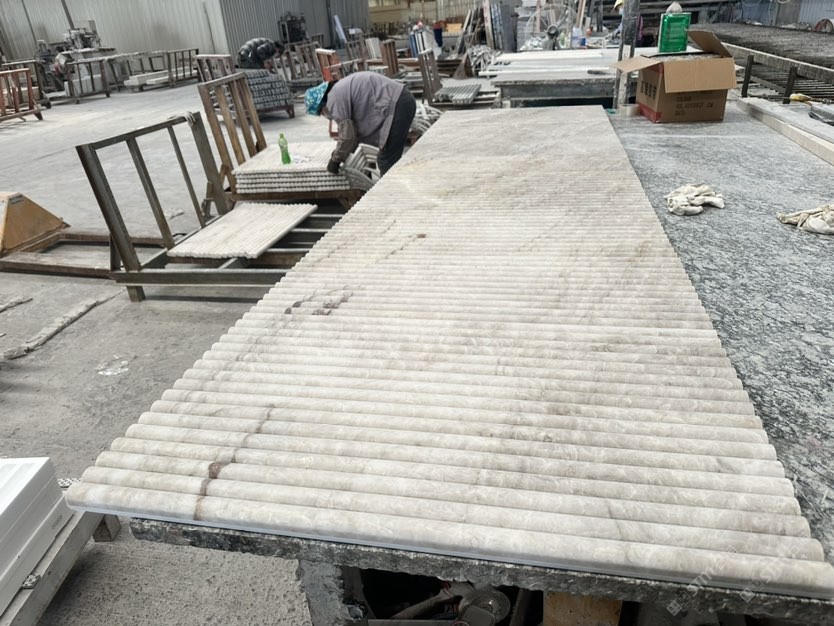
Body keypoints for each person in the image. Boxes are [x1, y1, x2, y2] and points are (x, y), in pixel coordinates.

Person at [305, 72, 417, 176]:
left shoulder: (334, 100)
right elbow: (353, 133)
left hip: (397, 105)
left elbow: (348, 136)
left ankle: (392, 190)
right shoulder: (339, 90)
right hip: (401, 100)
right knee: (389, 157)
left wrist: (335, 160)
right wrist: (345, 152)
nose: (325, 115)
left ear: (321, 104)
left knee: (386, 161)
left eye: (321, 112)